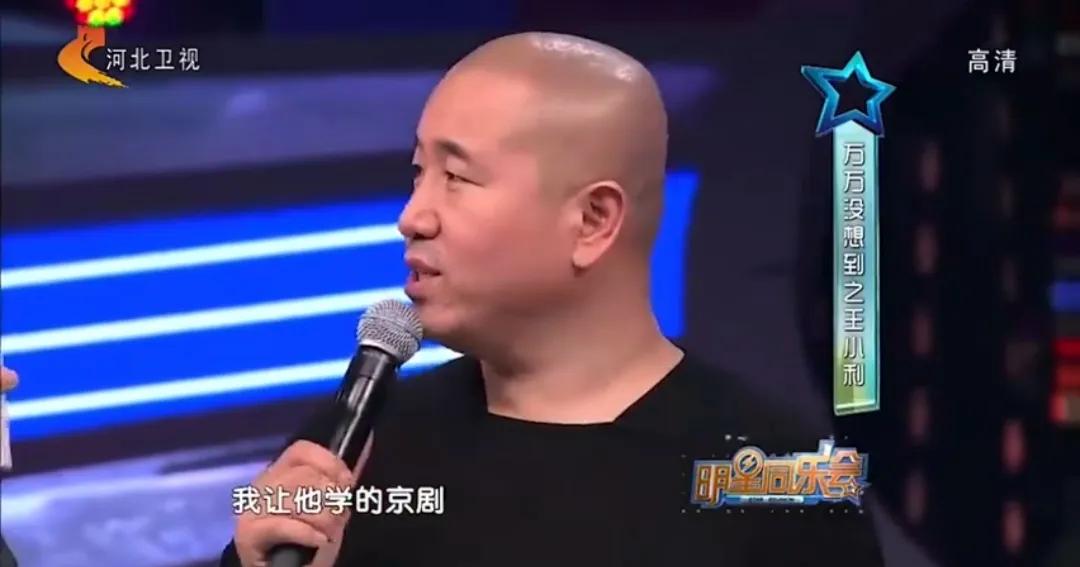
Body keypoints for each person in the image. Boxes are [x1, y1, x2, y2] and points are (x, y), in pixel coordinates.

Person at [220, 32, 885, 567]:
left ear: (593, 221)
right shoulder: (354, 445)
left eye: (457, 177)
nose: (412, 217)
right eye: (418, 173)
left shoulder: (778, 476)